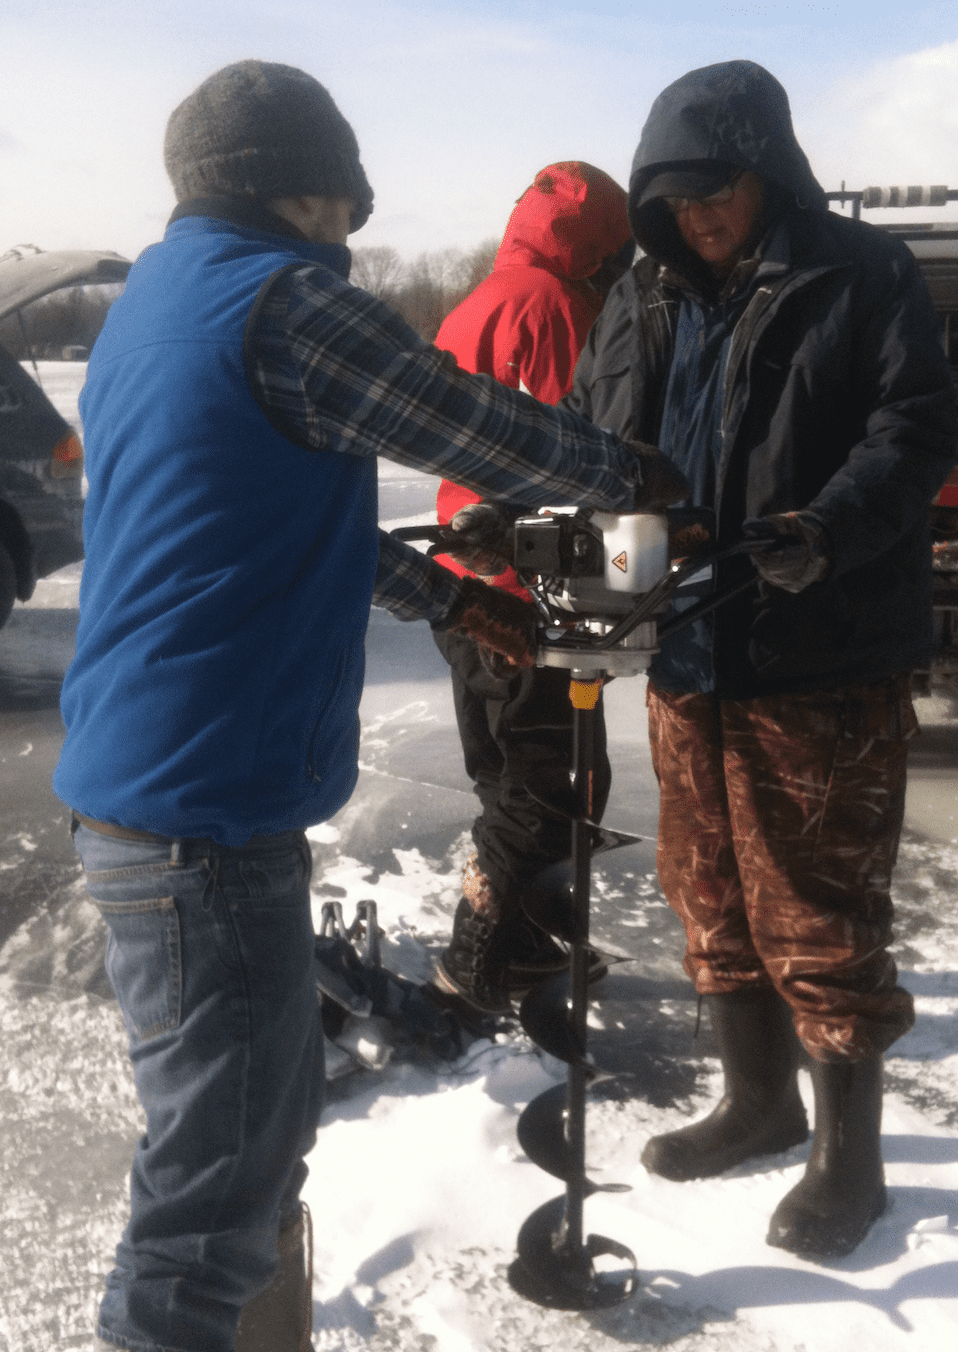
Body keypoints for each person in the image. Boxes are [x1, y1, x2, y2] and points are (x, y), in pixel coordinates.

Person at [52, 61, 687, 1352]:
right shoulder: (282, 302)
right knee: (210, 1210)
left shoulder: (159, 304)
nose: (351, 224)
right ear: (312, 189)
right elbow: (470, 424)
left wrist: (449, 599)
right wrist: (641, 475)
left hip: (162, 795)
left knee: (244, 1147)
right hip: (200, 817)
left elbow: (261, 516)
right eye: (344, 197)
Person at [563, 60, 957, 1258]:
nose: (695, 217)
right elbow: (594, 435)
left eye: (712, 190)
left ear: (766, 170)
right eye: (671, 200)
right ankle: (754, 1100)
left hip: (819, 655)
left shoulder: (862, 273)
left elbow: (913, 429)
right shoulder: (640, 295)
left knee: (822, 911)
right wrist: (572, 539)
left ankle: (853, 1160)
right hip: (687, 651)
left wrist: (823, 531)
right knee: (709, 892)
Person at [431, 161, 634, 1014]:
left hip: (458, 574)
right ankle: (478, 962)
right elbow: (571, 451)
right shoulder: (562, 312)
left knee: (503, 778)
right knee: (554, 784)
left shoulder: (474, 302)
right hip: (525, 586)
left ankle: (516, 938)